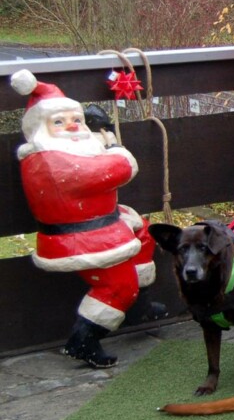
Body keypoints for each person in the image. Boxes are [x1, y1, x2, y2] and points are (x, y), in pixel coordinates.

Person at [10, 70, 158, 369]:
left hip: (104, 223)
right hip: (79, 238)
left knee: (145, 235)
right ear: (42, 127)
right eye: (59, 122)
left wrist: (102, 136)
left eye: (75, 120)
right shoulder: (49, 160)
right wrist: (113, 143)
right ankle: (83, 340)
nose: (72, 126)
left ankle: (137, 306)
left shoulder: (72, 147)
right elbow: (117, 169)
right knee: (118, 285)